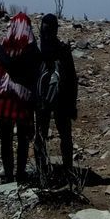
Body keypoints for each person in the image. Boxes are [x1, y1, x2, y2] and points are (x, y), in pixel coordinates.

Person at [0, 11, 40, 182]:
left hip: (6, 99)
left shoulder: (5, 46)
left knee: (6, 139)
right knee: (23, 139)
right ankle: (20, 173)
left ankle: (10, 175)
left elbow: (10, 66)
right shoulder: (32, 48)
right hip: (24, 100)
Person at [34, 13, 78, 184]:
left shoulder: (39, 50)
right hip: (62, 99)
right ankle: (68, 170)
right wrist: (72, 104)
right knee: (64, 135)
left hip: (43, 100)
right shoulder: (63, 50)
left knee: (41, 135)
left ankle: (41, 170)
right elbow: (73, 78)